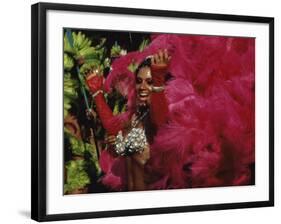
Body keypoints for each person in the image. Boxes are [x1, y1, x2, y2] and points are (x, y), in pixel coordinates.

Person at [86, 49, 170, 191]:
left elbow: (159, 118)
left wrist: (159, 80)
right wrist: (97, 93)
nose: (142, 87)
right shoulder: (136, 116)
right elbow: (113, 127)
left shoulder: (162, 118)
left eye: (150, 82)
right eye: (138, 81)